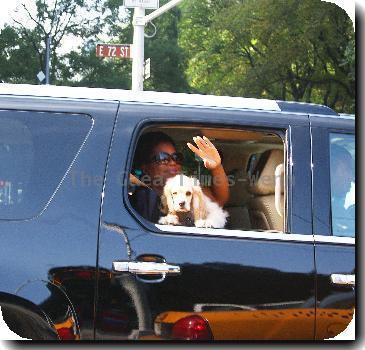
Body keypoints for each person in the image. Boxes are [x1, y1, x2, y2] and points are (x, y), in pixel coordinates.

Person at [130, 131, 229, 223]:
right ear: (145, 167)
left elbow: (218, 201)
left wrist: (216, 167)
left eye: (176, 157)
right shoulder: (135, 200)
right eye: (163, 158)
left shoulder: (189, 188)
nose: (173, 163)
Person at [330, 144, 355, 237]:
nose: (352, 177)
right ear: (331, 169)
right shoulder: (320, 209)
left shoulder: (335, 205)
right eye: (348, 169)